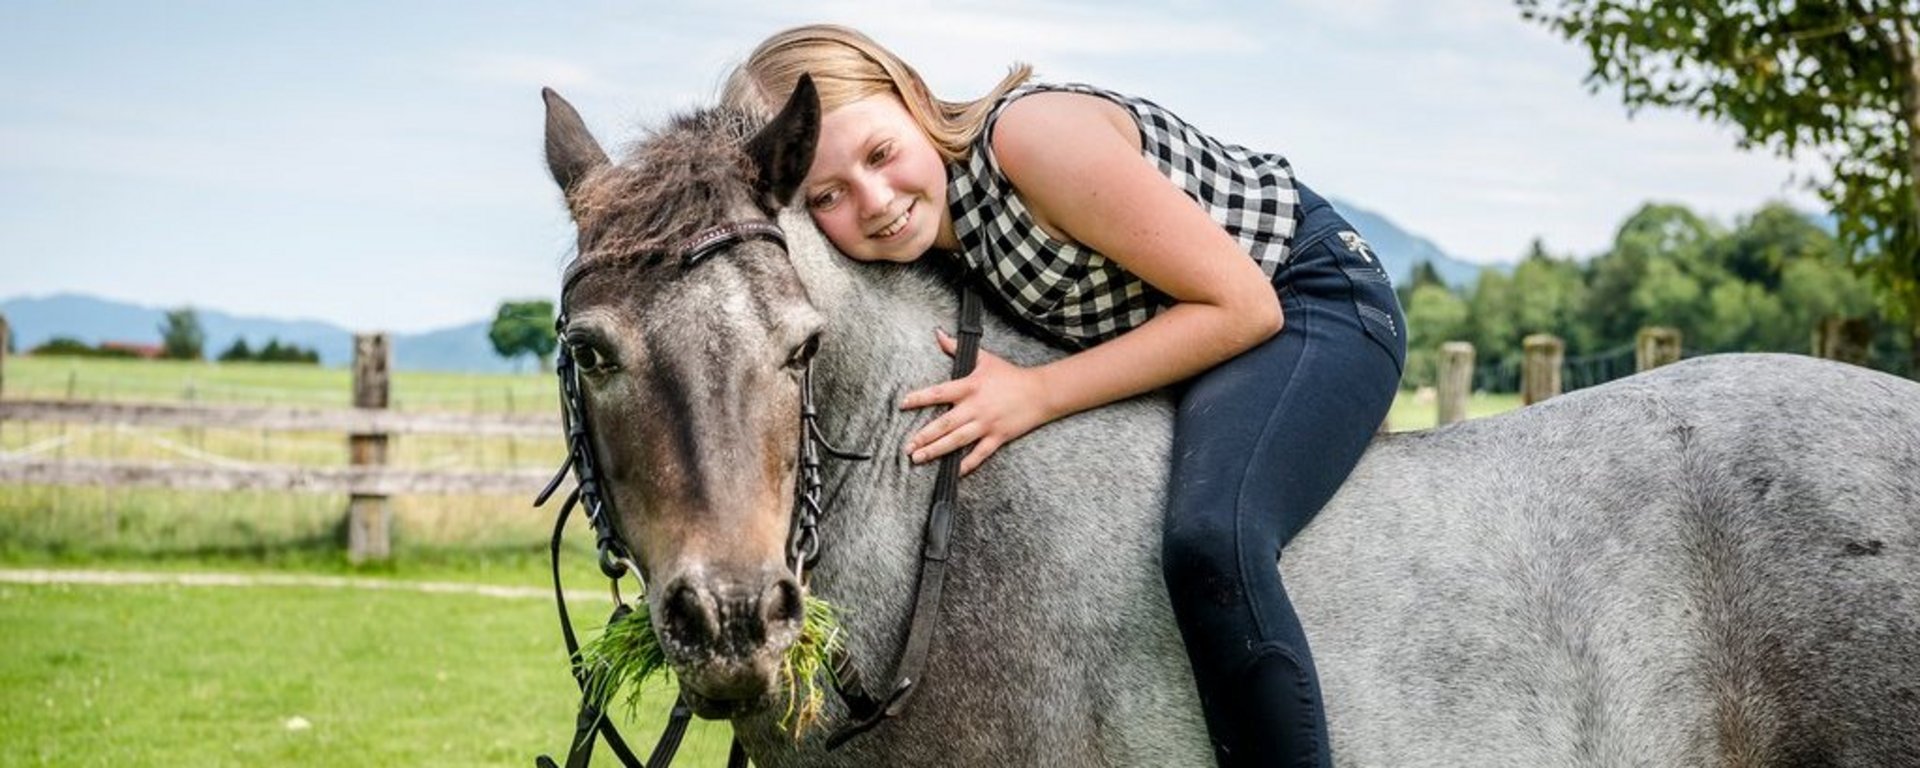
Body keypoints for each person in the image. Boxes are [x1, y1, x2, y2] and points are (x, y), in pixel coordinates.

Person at [723, 24, 1406, 768]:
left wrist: (1037, 394)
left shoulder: (1033, 141)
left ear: (913, 97)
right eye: (829, 195)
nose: (877, 200)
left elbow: (1242, 307)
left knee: (1212, 535)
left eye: (881, 154)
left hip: (1305, 296)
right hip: (1205, 332)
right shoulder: (934, 255)